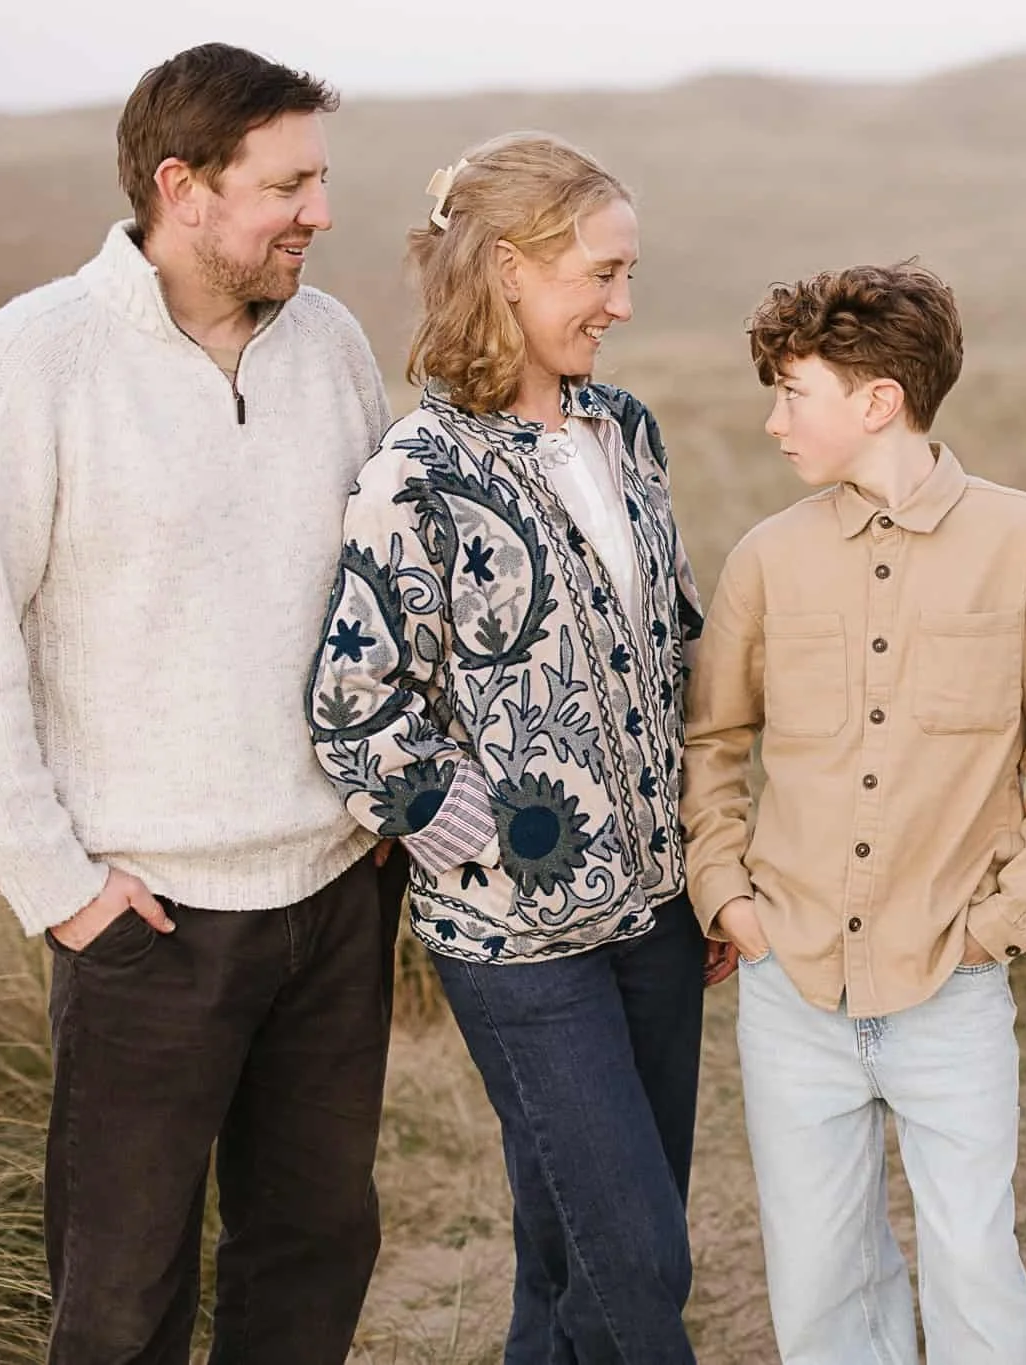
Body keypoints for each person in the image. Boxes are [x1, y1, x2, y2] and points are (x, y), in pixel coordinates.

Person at [0, 43, 399, 1365]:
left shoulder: (333, 342)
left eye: (322, 179)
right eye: (289, 184)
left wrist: (389, 801)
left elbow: (388, 591)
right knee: (121, 1300)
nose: (322, 214)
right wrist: (56, 887)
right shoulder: (34, 362)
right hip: (148, 920)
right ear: (181, 186)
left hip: (336, 896)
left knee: (315, 1251)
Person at [307, 132, 710, 1364]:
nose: (621, 304)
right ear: (511, 269)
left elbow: (674, 640)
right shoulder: (413, 474)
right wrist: (491, 833)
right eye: (600, 272)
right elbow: (352, 703)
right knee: (639, 1259)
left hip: (660, 915)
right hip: (517, 942)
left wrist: (711, 850)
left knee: (566, 1245)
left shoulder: (624, 432)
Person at [681, 260, 1026, 1363]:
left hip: (952, 983)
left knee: (972, 1257)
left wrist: (999, 923)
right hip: (792, 985)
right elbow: (713, 745)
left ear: (877, 400)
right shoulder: (766, 561)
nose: (775, 421)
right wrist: (729, 899)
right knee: (820, 1272)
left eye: (793, 392)